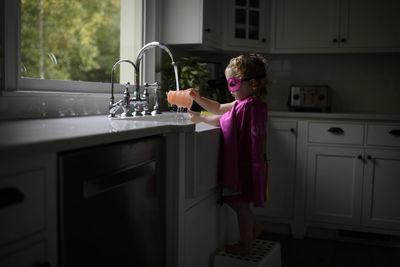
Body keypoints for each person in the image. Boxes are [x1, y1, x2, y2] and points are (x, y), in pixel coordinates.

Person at [187, 54, 269, 256]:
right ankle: (255, 227)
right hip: (252, 164)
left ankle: (247, 246)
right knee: (238, 203)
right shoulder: (252, 103)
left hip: (242, 166)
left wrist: (200, 118)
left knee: (239, 206)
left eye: (233, 84)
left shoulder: (245, 106)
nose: (229, 90)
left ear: (251, 83)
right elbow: (218, 108)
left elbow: (222, 120)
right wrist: (199, 100)